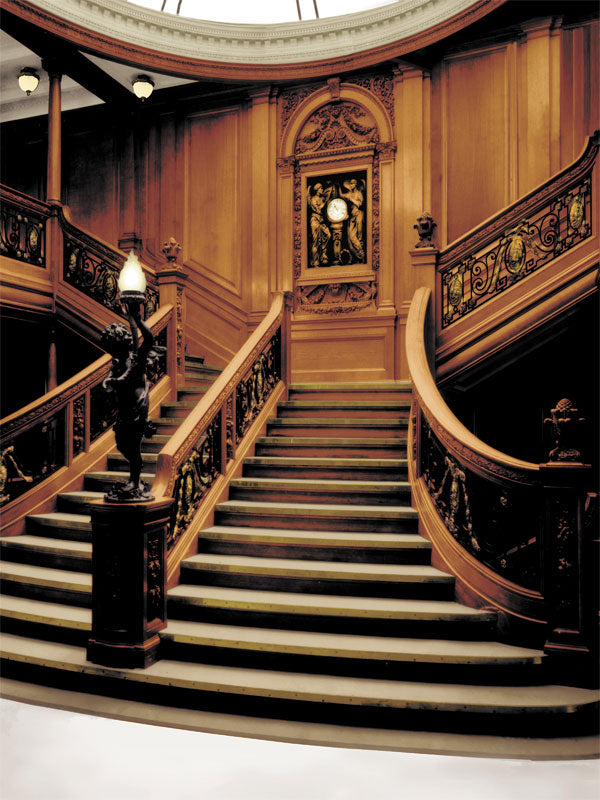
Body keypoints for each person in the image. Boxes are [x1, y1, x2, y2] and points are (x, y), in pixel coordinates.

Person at [101, 302, 156, 501]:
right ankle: (135, 479)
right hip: (123, 411)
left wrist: (139, 321)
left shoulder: (137, 360)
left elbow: (149, 339)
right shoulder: (117, 363)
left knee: (132, 446)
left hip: (136, 410)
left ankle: (135, 480)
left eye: (112, 347)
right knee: (122, 445)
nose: (112, 352)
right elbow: (111, 381)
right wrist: (110, 381)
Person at [339, 178, 365, 262]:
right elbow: (342, 195)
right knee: (351, 236)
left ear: (355, 185)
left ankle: (361, 255)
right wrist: (337, 186)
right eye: (350, 184)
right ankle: (359, 254)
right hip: (352, 217)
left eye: (352, 184)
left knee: (359, 235)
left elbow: (360, 204)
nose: (351, 185)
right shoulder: (349, 194)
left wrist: (352, 200)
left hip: (358, 215)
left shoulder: (358, 193)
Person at [308, 182, 331, 266]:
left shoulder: (321, 199)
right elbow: (318, 209)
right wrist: (324, 202)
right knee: (316, 241)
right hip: (315, 220)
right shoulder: (313, 199)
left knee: (328, 235)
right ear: (317, 190)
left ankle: (323, 253)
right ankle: (315, 260)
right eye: (321, 188)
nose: (322, 190)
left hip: (321, 221)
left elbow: (326, 197)